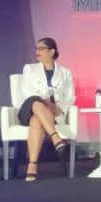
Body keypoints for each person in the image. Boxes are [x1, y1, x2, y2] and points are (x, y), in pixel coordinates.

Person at [16, 37, 75, 181]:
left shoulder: (66, 73)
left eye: (41, 49)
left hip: (52, 113)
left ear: (52, 51)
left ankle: (32, 166)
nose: (37, 52)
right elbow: (26, 93)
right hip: (29, 109)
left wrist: (59, 109)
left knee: (37, 121)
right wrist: (47, 103)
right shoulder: (29, 68)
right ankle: (56, 138)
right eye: (36, 49)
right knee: (36, 104)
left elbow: (70, 97)